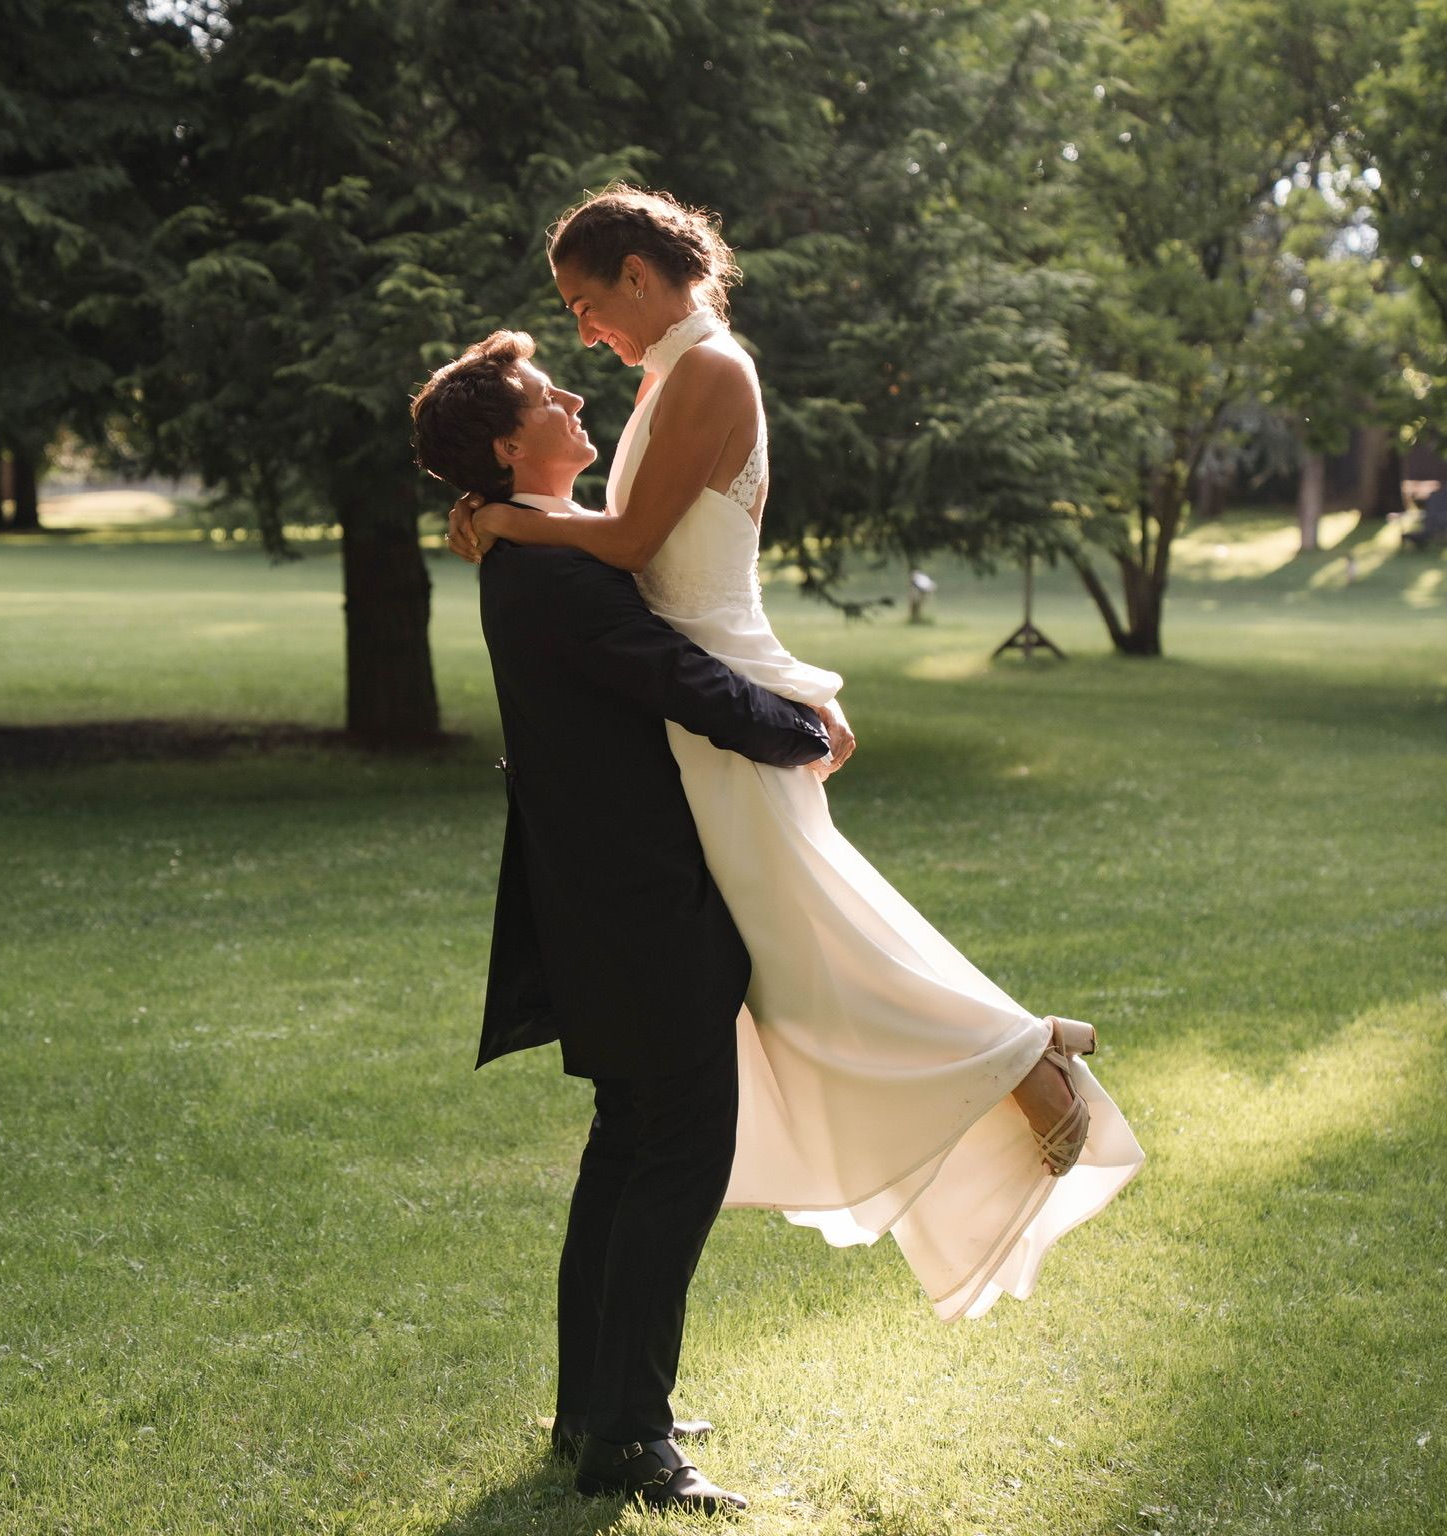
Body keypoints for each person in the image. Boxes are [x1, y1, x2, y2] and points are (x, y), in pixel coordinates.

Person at [446, 185, 1144, 1322]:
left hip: (714, 699)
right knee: (805, 938)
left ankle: (1022, 1058)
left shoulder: (709, 368)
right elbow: (658, 565)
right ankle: (1017, 1047)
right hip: (707, 691)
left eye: (584, 302)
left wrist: (513, 516)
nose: (582, 332)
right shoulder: (674, 375)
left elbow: (628, 547)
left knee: (808, 946)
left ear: (637, 270)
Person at [411, 330, 832, 1514]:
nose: (576, 395)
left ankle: (599, 1410)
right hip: (637, 902)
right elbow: (669, 673)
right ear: (511, 444)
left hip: (610, 897)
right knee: (677, 1153)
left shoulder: (534, 550)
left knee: (628, 1149)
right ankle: (628, 1440)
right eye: (552, 395)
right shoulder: (549, 568)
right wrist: (802, 727)